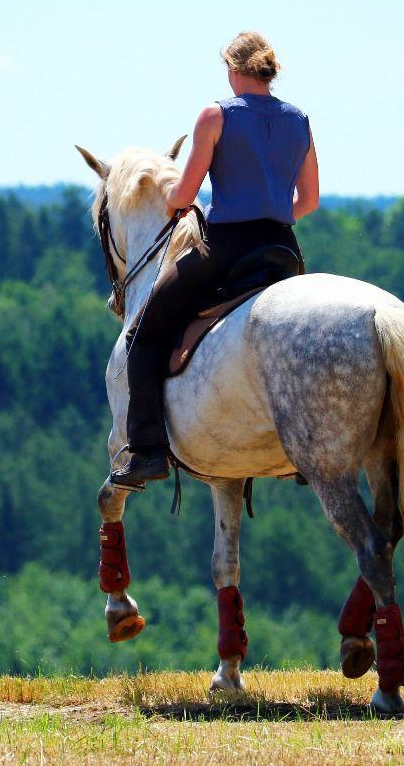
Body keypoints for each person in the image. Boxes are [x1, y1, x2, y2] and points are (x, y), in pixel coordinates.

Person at [110, 31, 321, 486]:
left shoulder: (215, 115)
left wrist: (172, 192)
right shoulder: (299, 120)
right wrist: (275, 214)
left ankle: (147, 452)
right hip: (283, 248)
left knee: (143, 337)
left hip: (226, 248)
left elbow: (183, 198)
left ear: (233, 68)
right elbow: (310, 199)